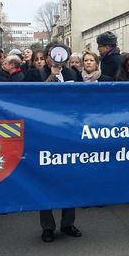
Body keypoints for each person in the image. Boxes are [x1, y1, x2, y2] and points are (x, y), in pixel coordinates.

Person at [39, 42, 82, 242]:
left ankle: (68, 223)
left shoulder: (73, 74)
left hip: (68, 132)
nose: (57, 59)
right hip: (44, 133)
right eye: (53, 55)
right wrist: (52, 76)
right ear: (48, 56)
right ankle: (47, 226)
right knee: (44, 181)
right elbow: (35, 98)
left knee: (70, 179)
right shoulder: (35, 74)